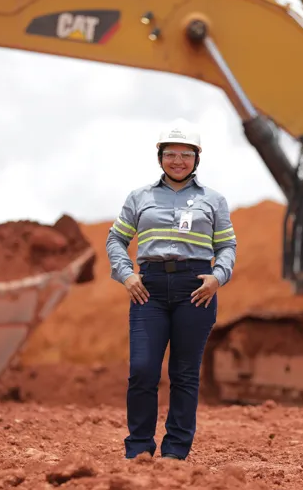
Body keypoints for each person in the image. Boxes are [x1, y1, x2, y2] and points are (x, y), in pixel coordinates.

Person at [105, 120, 237, 461]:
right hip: (147, 289)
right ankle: (138, 450)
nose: (178, 161)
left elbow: (226, 246)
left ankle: (175, 453)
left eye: (185, 155)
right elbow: (116, 239)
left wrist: (218, 277)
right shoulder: (140, 197)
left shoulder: (213, 200)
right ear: (160, 157)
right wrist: (126, 274)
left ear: (196, 159)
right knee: (143, 370)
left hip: (196, 289)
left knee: (184, 373)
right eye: (171, 154)